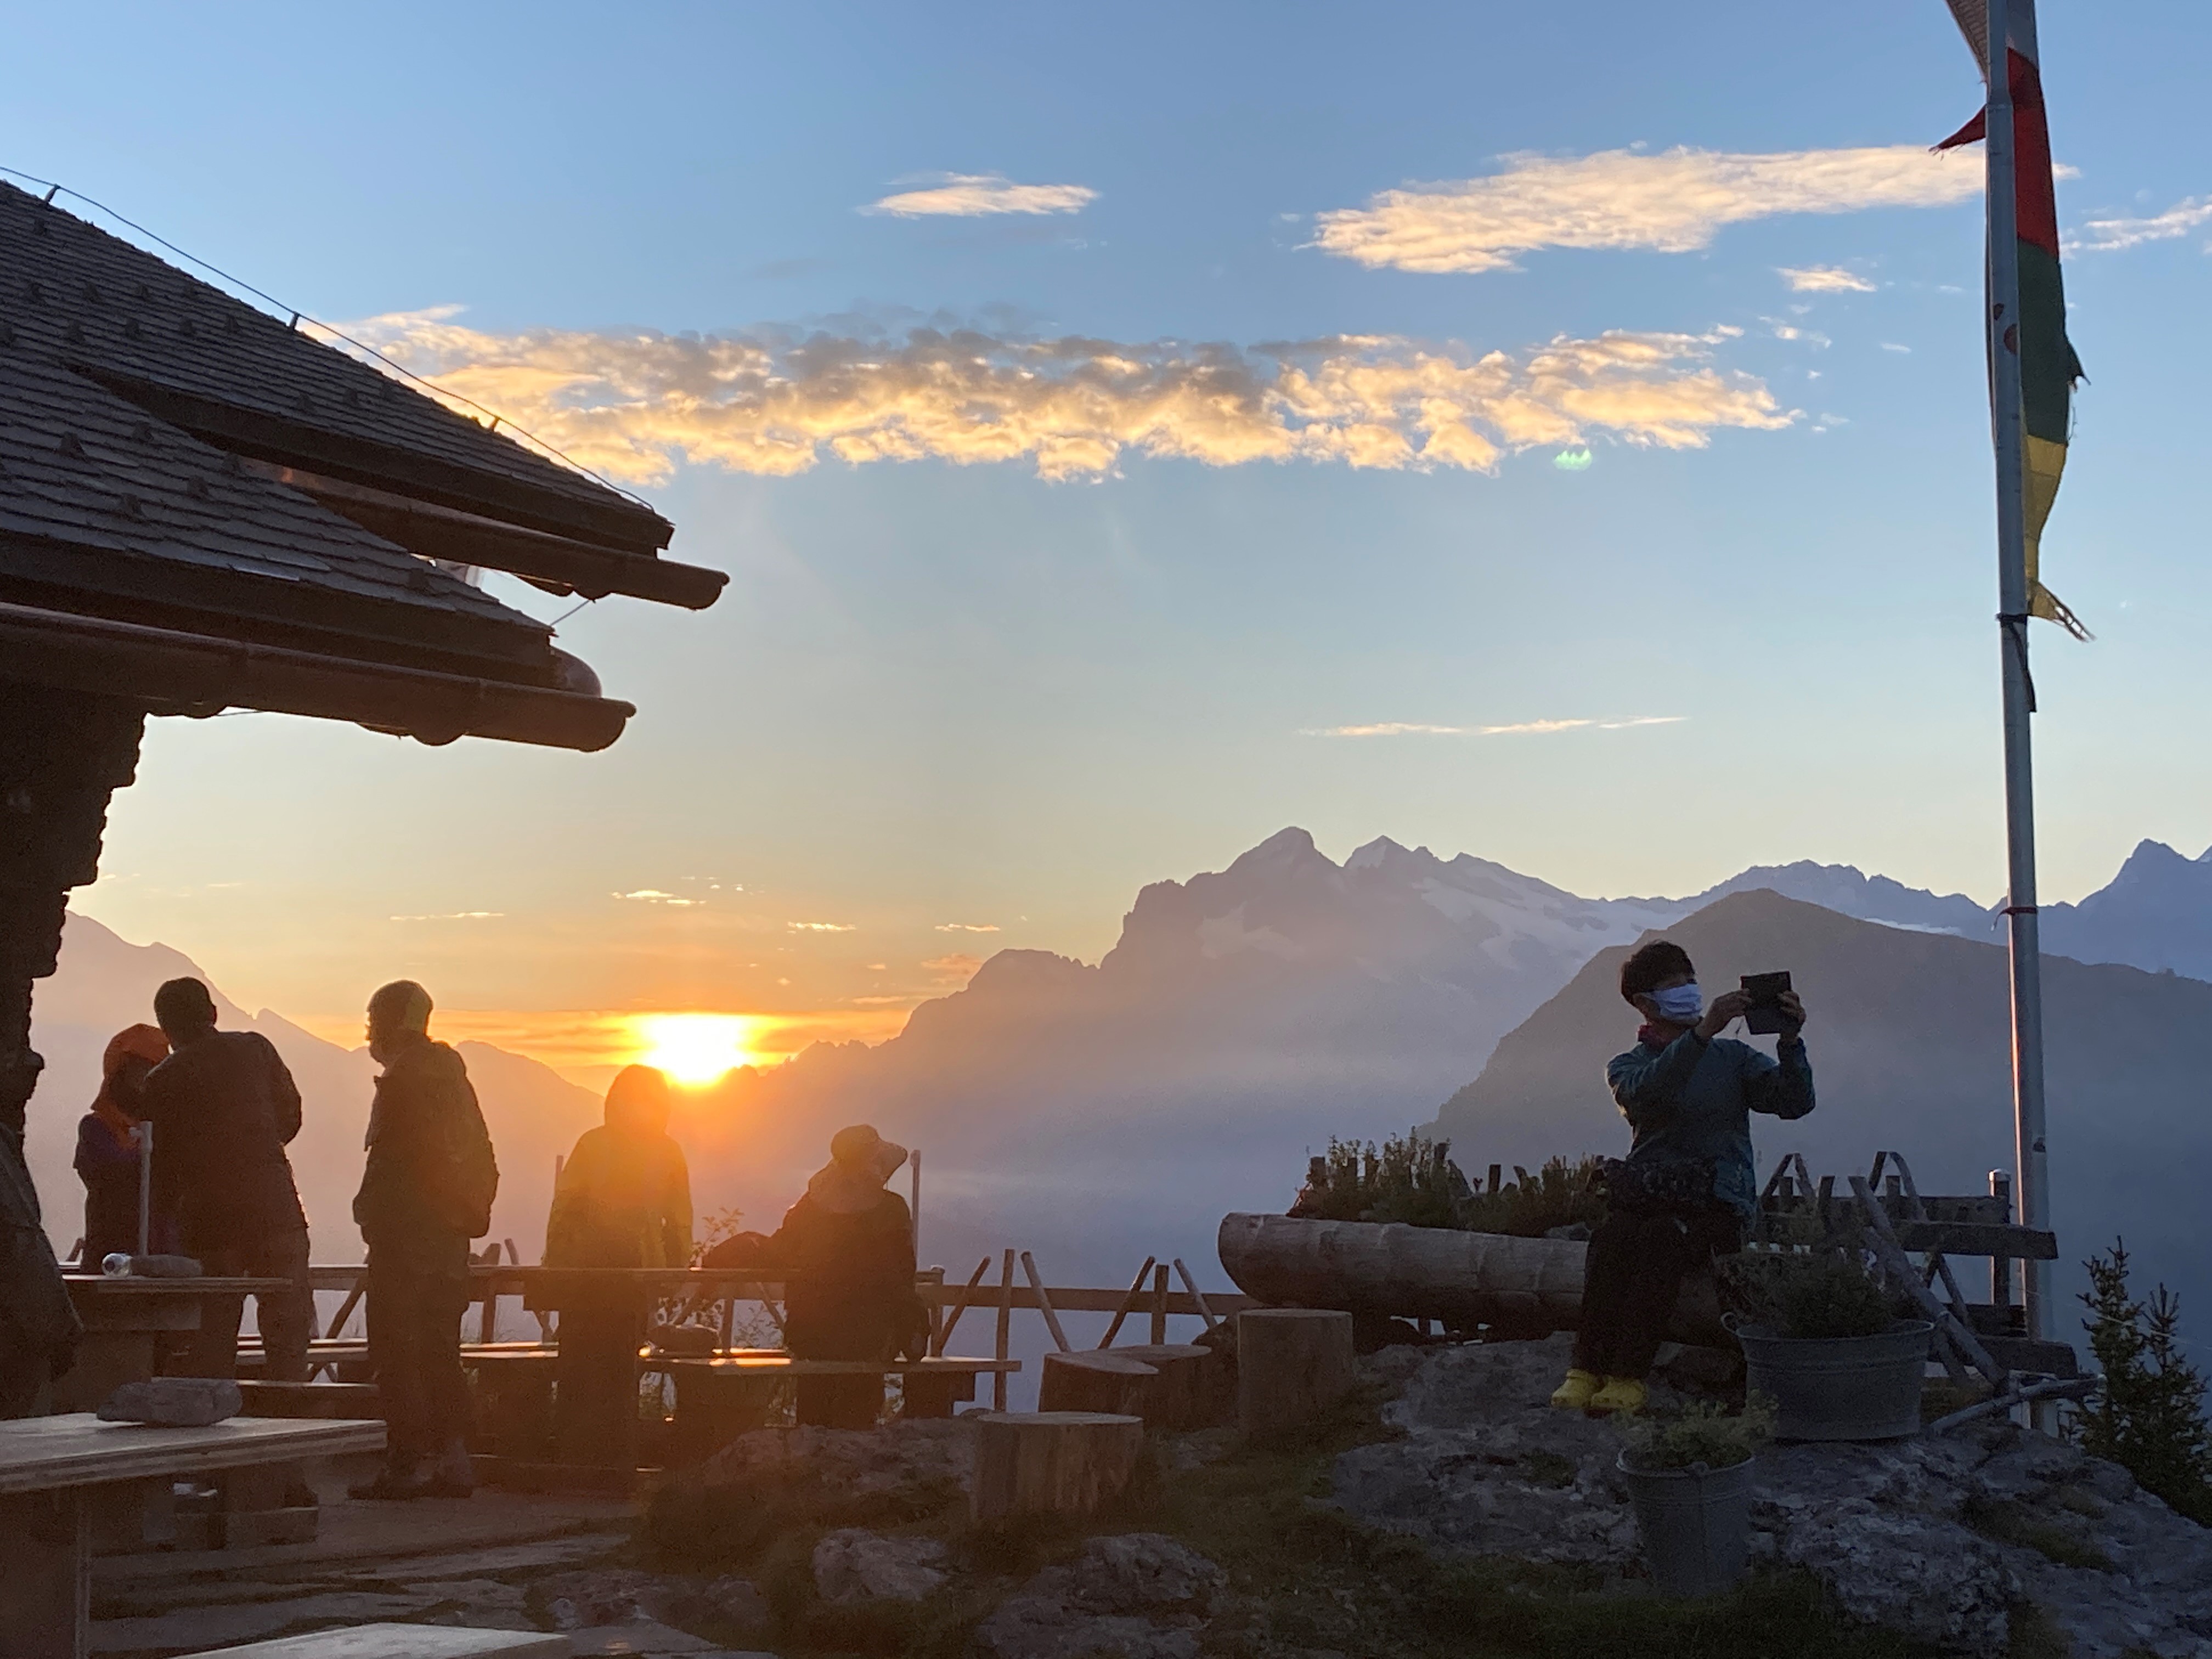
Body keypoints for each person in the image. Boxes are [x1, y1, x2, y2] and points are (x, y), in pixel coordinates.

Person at [1552, 940, 1813, 1417]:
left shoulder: (1733, 1058)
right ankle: (1584, 1370)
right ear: (1646, 1005)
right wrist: (1701, 1036)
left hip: (1715, 1204)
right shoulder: (1627, 1066)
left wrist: (1791, 1042)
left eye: (1690, 981)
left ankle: (1628, 1376)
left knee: (1660, 1240)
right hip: (1653, 1197)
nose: (1690, 993)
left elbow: (1793, 1102)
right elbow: (1648, 1097)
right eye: (1675, 986)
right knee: (1613, 1239)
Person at [351, 979, 497, 1499]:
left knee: (396, 1351)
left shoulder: (403, 1080)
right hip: (449, 1242)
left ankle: (406, 1464)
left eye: (373, 1019)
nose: (369, 1031)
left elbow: (388, 1163)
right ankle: (455, 1460)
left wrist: (366, 1214)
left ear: (390, 1023)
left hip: (403, 1241)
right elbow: (484, 1156)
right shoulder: (455, 1082)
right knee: (440, 1351)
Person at [138, 977, 315, 1380]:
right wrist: (258, 1152)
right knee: (288, 1331)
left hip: (210, 1222)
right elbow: (290, 1117)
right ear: (213, 1014)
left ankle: (212, 1428)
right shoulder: (255, 1049)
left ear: (166, 1030)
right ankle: (289, 1421)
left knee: (212, 1334)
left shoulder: (162, 1081)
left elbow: (162, 1165)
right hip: (276, 1211)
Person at [543, 1064, 691, 1463]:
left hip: (584, 1272)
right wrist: (674, 1272)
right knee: (620, 1370)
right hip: (638, 1273)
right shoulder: (667, 1150)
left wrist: (554, 1266)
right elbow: (679, 1220)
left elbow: (564, 1210)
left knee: (577, 1364)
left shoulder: (592, 1144)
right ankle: (616, 1462)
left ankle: (574, 1458)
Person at [766, 1124, 923, 1429]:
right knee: (857, 1418)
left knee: (813, 1420)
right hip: (868, 1336)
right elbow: (904, 1275)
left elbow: (781, 1250)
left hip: (811, 1335)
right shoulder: (892, 1210)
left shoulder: (808, 1209)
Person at [74, 1024, 171, 1265]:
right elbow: (110, 1177)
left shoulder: (169, 1128)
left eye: (153, 1069)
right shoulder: (96, 1127)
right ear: (120, 1071)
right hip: (110, 1255)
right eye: (139, 1069)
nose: (145, 1078)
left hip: (164, 1255)